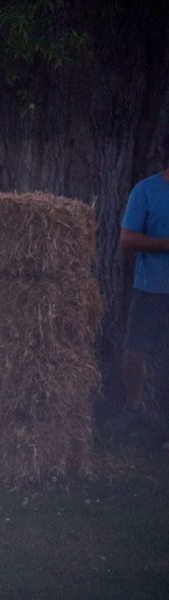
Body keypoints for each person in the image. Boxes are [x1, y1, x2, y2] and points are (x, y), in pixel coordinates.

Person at [119, 165, 169, 446]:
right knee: (133, 354)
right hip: (151, 286)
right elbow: (128, 238)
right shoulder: (146, 190)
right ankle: (132, 413)